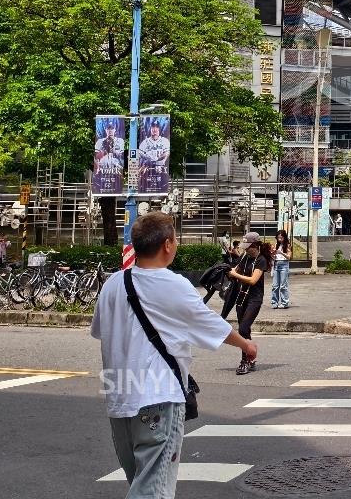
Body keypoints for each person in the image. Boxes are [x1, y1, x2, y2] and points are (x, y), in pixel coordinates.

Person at [91, 211, 256, 499]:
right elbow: (210, 324)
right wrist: (246, 345)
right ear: (167, 244)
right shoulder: (173, 284)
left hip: (119, 393)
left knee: (141, 483)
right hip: (157, 396)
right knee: (152, 490)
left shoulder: (113, 284)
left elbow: (101, 331)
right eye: (176, 239)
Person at [228, 231, 272, 375]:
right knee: (244, 330)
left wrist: (235, 274)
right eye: (245, 247)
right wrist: (230, 271)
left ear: (255, 245)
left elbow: (253, 280)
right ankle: (250, 356)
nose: (246, 249)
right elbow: (236, 269)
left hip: (255, 298)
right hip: (242, 297)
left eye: (248, 247)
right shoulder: (244, 257)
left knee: (243, 328)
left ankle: (245, 360)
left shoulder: (261, 260)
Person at [271, 229, 291, 309]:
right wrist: (273, 255)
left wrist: (281, 252)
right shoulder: (276, 244)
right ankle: (274, 302)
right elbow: (274, 256)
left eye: (281, 238)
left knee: (283, 285)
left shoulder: (288, 245)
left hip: (284, 265)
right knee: (275, 285)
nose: (280, 239)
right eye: (278, 238)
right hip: (276, 264)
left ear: (284, 238)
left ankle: (284, 303)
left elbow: (289, 257)